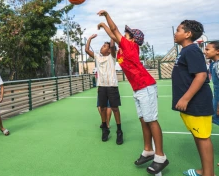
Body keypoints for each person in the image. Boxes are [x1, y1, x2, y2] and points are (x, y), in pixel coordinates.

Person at [97, 10, 168, 175]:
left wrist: (106, 16)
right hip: (138, 89)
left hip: (146, 86)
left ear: (133, 38)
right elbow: (113, 34)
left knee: (152, 120)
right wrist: (104, 26)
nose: (124, 34)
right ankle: (148, 150)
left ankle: (160, 157)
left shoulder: (130, 46)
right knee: (143, 120)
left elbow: (114, 30)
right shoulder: (122, 50)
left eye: (127, 33)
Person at [173, 20, 214, 176]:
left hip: (197, 103)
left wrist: (185, 98)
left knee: (203, 138)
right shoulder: (185, 51)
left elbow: (201, 75)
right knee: (198, 136)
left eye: (178, 30)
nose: (175, 33)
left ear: (188, 34)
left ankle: (209, 174)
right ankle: (205, 171)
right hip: (191, 105)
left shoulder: (191, 50)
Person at [85, 34, 124, 145]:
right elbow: (87, 50)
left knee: (115, 108)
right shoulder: (98, 57)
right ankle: (105, 129)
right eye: (102, 45)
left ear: (109, 50)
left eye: (104, 46)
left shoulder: (112, 57)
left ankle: (119, 131)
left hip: (112, 86)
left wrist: (111, 34)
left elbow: (112, 45)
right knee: (102, 108)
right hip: (102, 86)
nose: (102, 47)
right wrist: (89, 39)